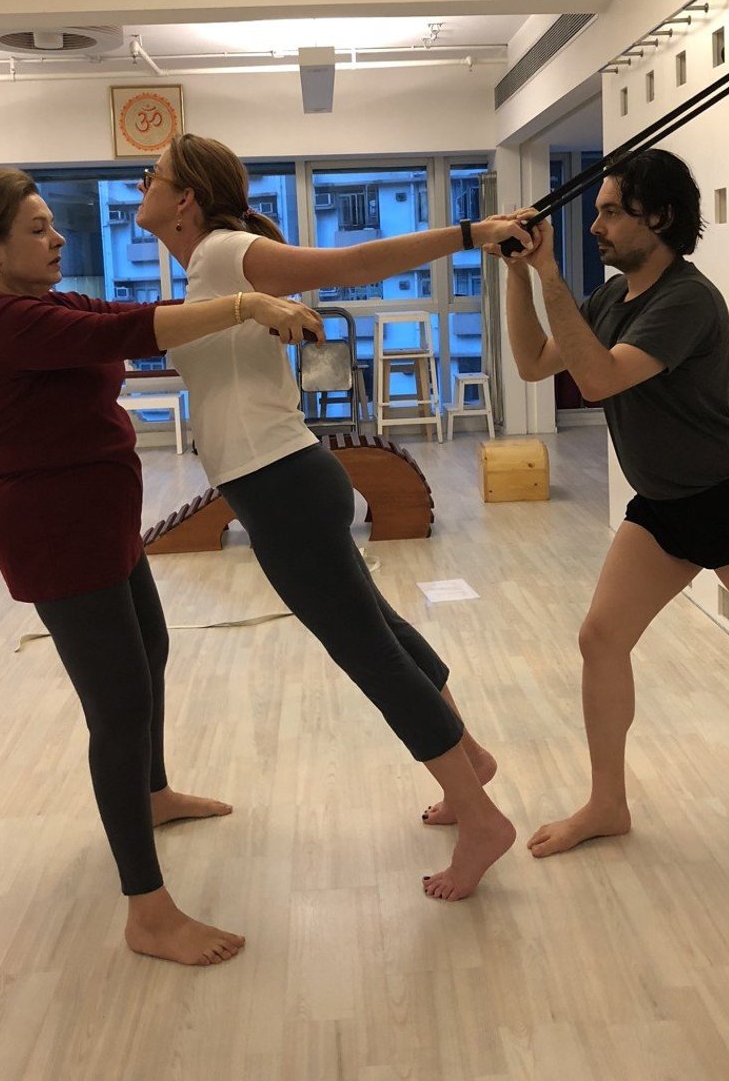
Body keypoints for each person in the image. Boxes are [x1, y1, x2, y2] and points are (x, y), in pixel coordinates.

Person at [0, 165, 325, 966]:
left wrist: (232, 309)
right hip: (53, 528)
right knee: (119, 702)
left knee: (151, 651)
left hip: (97, 516)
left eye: (50, 223)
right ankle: (147, 910)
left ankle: (152, 793)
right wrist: (249, 301)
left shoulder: (45, 303)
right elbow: (123, 336)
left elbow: (139, 313)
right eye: (36, 227)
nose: (57, 235)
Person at [136, 133, 535, 900]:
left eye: (151, 176)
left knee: (368, 652)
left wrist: (470, 234)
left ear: (184, 198)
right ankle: (469, 766)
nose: (140, 188)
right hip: (281, 478)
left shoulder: (224, 251)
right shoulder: (206, 265)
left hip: (280, 482)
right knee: (381, 630)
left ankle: (483, 818)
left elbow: (351, 265)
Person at [493, 148, 729, 858]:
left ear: (661, 217)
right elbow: (533, 363)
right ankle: (607, 802)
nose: (596, 226)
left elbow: (602, 377)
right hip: (665, 504)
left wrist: (549, 274)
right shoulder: (614, 299)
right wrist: (519, 275)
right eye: (598, 211)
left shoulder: (688, 299)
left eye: (612, 211)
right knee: (601, 637)